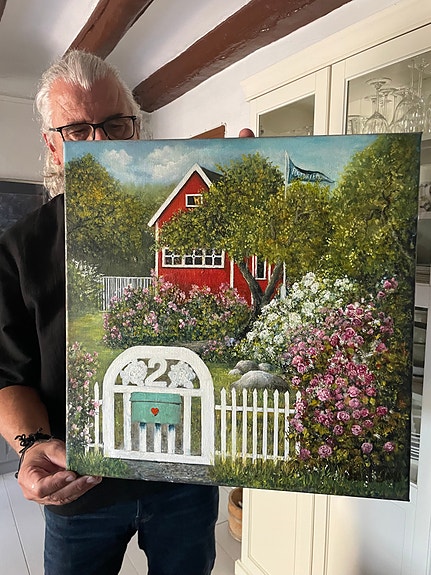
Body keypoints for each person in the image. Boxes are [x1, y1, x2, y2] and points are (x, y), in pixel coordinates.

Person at [0, 50, 219, 575]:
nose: (100, 142)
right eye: (77, 130)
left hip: (185, 478)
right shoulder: (21, 247)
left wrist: (246, 182)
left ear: (136, 129)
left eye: (116, 124)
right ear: (53, 146)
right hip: (81, 484)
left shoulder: (188, 216)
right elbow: (9, 374)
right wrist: (31, 447)